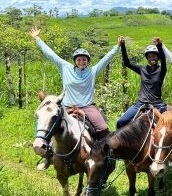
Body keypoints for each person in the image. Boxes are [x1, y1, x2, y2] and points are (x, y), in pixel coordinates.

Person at [30, 25, 120, 169]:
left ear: (88, 61)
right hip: (67, 106)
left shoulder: (93, 71)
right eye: (79, 59)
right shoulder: (65, 67)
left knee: (103, 127)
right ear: (74, 60)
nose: (81, 62)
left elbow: (106, 59)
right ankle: (48, 156)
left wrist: (117, 47)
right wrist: (37, 39)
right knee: (48, 125)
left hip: (87, 106)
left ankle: (104, 156)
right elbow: (51, 55)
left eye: (84, 60)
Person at [116, 36, 168, 129]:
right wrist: (123, 46)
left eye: (154, 56)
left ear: (158, 57)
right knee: (121, 122)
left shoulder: (162, 70)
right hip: (141, 103)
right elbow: (127, 63)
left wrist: (159, 45)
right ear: (147, 58)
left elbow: (164, 60)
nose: (152, 58)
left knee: (169, 125)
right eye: (150, 56)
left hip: (157, 104)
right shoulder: (142, 69)